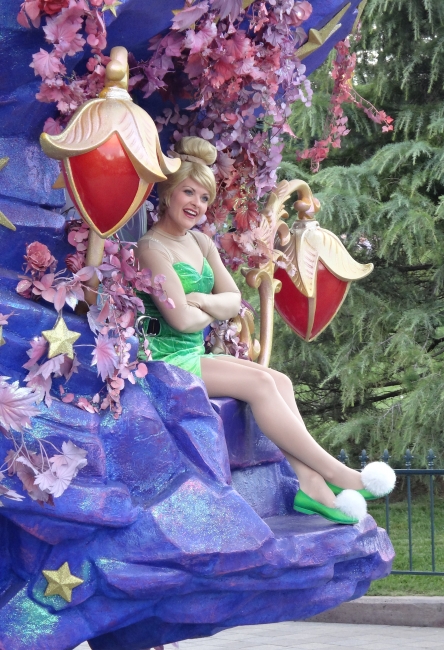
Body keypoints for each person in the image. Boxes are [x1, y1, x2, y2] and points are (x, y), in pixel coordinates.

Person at [135, 136, 395, 525]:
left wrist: (202, 301)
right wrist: (208, 307)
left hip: (195, 353)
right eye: (188, 192)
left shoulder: (202, 242)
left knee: (281, 381)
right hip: (167, 358)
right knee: (259, 386)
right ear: (168, 194)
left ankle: (311, 485)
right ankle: (339, 474)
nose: (196, 204)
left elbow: (233, 299)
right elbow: (180, 321)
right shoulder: (151, 247)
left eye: (205, 197)